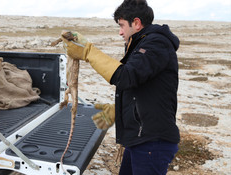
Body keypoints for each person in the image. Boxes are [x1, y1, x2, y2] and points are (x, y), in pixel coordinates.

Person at [61, 0, 180, 174]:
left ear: (137, 23)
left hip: (152, 143)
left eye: (122, 25)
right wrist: (120, 110)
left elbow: (126, 77)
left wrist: (88, 52)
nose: (120, 32)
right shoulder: (140, 43)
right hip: (139, 140)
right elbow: (142, 87)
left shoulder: (156, 44)